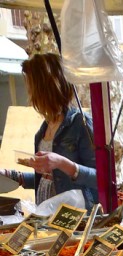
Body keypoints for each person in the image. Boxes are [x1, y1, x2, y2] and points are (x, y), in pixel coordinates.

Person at [0, 53, 98, 209]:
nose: (29, 93)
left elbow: (101, 178)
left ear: (45, 87)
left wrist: (62, 163)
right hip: (47, 208)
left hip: (74, 213)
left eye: (31, 85)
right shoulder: (44, 129)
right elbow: (48, 179)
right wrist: (12, 176)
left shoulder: (81, 123)